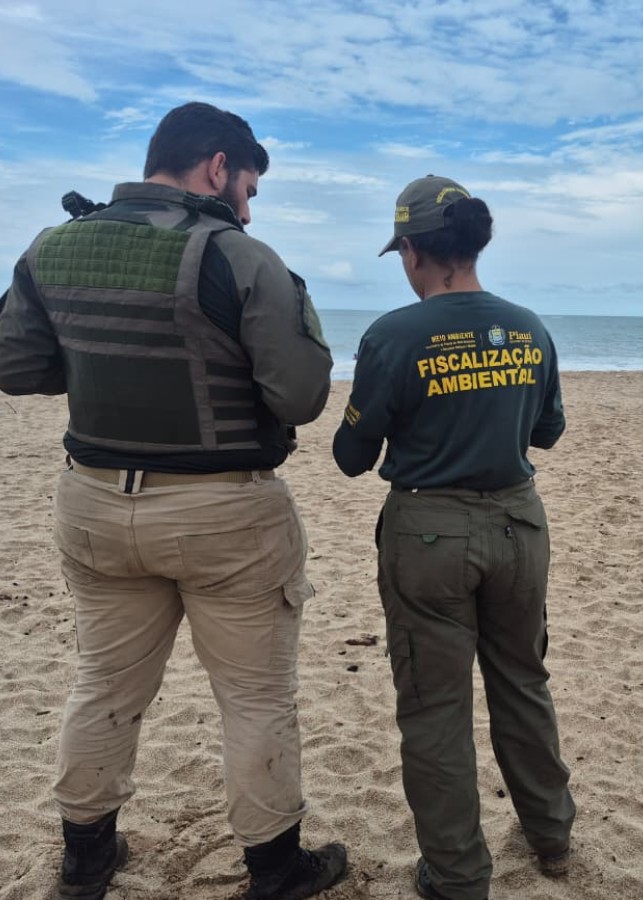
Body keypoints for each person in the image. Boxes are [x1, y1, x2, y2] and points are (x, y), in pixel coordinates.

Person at [0, 102, 347, 900]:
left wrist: (101, 367)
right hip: (223, 512)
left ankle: (86, 858)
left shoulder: (51, 246)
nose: (250, 208)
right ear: (218, 168)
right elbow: (298, 397)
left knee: (103, 683)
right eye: (248, 187)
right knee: (256, 697)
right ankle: (274, 869)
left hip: (92, 504)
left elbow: (16, 367)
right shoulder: (237, 253)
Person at [332, 176, 574, 899]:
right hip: (518, 523)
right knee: (524, 682)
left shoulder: (392, 335)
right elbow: (548, 432)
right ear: (474, 244)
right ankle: (551, 834)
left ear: (413, 250)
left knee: (435, 706)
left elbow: (351, 457)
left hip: (429, 531)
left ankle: (458, 874)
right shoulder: (528, 325)